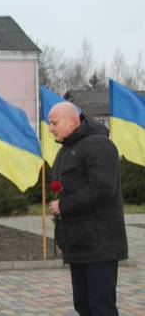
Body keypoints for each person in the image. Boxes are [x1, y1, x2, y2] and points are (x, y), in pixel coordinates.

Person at [48, 102, 128, 316]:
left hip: (100, 244)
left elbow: (102, 189)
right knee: (83, 305)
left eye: (54, 122)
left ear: (73, 120)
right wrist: (63, 238)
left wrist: (63, 205)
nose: (50, 128)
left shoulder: (99, 145)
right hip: (79, 243)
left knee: (101, 308)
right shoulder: (66, 150)